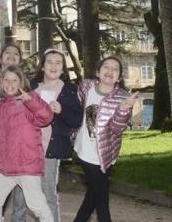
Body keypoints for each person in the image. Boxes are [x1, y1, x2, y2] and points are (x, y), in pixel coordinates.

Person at [0, 66, 54, 222]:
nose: (10, 84)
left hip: (27, 165)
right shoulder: (2, 105)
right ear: (1, 83)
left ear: (21, 82)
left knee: (37, 206)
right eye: (6, 80)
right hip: (7, 166)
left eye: (14, 80)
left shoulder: (29, 101)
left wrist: (31, 101)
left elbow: (46, 116)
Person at [72, 57, 138, 222]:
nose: (110, 71)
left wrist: (123, 110)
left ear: (119, 78)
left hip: (106, 155)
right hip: (85, 153)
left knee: (93, 197)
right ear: (97, 72)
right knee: (101, 199)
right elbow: (78, 108)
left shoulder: (124, 98)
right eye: (106, 67)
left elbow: (116, 129)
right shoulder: (86, 87)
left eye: (115, 69)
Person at [32, 49, 82, 222]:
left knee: (48, 194)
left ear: (63, 69)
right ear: (42, 67)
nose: (53, 66)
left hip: (50, 150)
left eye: (58, 63)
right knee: (26, 195)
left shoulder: (70, 90)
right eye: (49, 62)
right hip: (28, 149)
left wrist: (61, 110)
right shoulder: (32, 88)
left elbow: (77, 120)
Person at [0, 44, 28, 222]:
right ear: (0, 58)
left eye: (16, 54)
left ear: (20, 59)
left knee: (7, 181)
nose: (11, 56)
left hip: (15, 140)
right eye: (7, 53)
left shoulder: (25, 82)